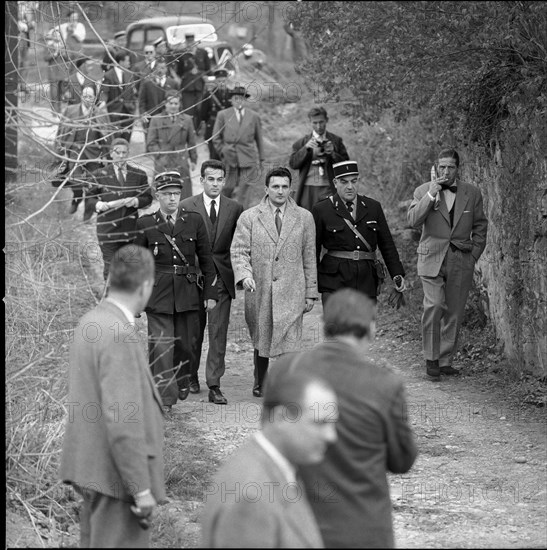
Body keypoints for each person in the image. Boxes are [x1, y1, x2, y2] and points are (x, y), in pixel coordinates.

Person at [274, 288, 418, 548]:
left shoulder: (285, 371)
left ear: (325, 326)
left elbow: (271, 446)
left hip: (298, 527)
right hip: (364, 531)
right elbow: (402, 461)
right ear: (371, 329)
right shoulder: (386, 384)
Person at [59, 244, 166, 548]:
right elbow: (123, 422)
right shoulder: (118, 334)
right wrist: (140, 488)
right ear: (145, 285)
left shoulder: (91, 321)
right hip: (115, 479)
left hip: (91, 469)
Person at [201, 368, 337, 548]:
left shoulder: (278, 468)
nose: (331, 436)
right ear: (281, 418)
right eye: (320, 423)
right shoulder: (251, 498)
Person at [230, 166, 318, 397]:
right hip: (260, 288)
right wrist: (245, 275)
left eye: (285, 187)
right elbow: (239, 251)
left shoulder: (304, 217)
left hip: (292, 288)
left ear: (291, 189)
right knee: (262, 335)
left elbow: (309, 256)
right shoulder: (249, 217)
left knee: (290, 340)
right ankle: (261, 381)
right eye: (275, 186)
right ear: (266, 188)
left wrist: (310, 292)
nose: (280, 191)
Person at [134, 171, 218, 412]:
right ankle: (164, 399)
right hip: (157, 293)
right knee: (160, 347)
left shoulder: (194, 220)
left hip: (187, 291)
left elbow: (206, 259)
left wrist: (210, 294)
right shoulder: (145, 223)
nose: (172, 199)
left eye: (176, 194)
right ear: (157, 195)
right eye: (167, 194)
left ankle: (182, 379)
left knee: (186, 345)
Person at [407, 148, 488, 378]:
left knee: (454, 311)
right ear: (436, 168)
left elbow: (481, 226)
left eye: (450, 167)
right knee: (434, 306)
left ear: (457, 168)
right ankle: (431, 359)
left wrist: (473, 256)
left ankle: (444, 360)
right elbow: (412, 220)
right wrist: (431, 195)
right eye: (442, 166)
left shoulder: (472, 193)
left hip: (461, 258)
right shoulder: (423, 190)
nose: (446, 171)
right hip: (431, 257)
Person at [179, 160, 244, 404]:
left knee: (218, 332)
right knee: (193, 332)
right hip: (194, 279)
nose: (215, 184)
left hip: (222, 279)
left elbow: (240, 245)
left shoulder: (236, 208)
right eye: (211, 179)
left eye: (219, 179)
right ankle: (190, 375)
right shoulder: (186, 206)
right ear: (202, 180)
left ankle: (214, 384)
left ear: (224, 181)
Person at [312, 160, 406, 307]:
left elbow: (386, 244)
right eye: (344, 182)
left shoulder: (373, 207)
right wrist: (311, 286)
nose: (350, 187)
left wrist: (397, 274)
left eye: (354, 181)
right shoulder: (322, 209)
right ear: (335, 183)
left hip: (366, 280)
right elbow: (313, 250)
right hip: (334, 281)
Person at [87, 138, 153, 280]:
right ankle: (108, 298)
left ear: (128, 154)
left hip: (130, 231)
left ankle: (125, 300)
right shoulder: (100, 174)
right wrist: (98, 205)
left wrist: (136, 201)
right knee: (111, 268)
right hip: (107, 230)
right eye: (118, 152)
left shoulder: (139, 174)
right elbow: (89, 199)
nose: (121, 156)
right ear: (111, 153)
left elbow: (148, 198)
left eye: (124, 152)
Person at [55, 83, 111, 217]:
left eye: (90, 96)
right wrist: (59, 152)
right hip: (75, 153)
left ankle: (88, 210)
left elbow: (108, 136)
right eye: (84, 96)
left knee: (92, 184)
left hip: (93, 154)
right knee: (76, 181)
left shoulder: (100, 114)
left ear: (95, 98)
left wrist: (107, 156)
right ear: (80, 96)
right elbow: (60, 132)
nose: (87, 99)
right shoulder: (70, 111)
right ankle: (77, 198)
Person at [213, 86, 265, 209]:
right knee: (227, 187)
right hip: (229, 156)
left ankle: (242, 214)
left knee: (245, 188)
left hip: (248, 156)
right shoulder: (223, 115)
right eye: (236, 98)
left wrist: (262, 159)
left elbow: (259, 139)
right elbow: (215, 137)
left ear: (245, 100)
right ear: (231, 100)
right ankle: (223, 211)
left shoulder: (254, 116)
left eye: (241, 98)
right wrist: (223, 151)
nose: (239, 101)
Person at [289, 106, 350, 211]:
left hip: (329, 187)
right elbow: (293, 164)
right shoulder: (301, 143)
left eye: (321, 122)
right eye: (315, 123)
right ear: (310, 122)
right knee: (309, 221)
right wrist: (306, 149)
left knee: (329, 220)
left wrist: (333, 154)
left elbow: (346, 167)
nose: (318, 126)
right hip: (307, 189)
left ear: (327, 120)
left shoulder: (336, 141)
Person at [146, 89, 197, 201]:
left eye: (176, 103)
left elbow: (192, 142)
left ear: (180, 104)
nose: (173, 106)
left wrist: (193, 160)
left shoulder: (187, 120)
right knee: (164, 194)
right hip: (164, 159)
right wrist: (160, 155)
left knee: (184, 195)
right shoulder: (156, 119)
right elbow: (150, 143)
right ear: (165, 104)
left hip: (181, 159)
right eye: (171, 103)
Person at [177, 32, 211, 131]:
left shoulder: (203, 53)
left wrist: (200, 74)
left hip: (200, 86)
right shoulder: (182, 54)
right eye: (188, 42)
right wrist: (188, 74)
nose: (190, 43)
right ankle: (189, 130)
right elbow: (179, 72)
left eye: (192, 41)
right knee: (188, 110)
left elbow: (208, 69)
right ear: (186, 42)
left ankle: (197, 129)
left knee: (200, 109)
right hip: (187, 87)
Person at [101, 51, 138, 141]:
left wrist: (133, 107)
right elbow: (105, 92)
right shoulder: (108, 75)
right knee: (115, 137)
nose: (129, 63)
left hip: (128, 111)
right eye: (127, 61)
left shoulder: (129, 74)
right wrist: (104, 106)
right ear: (121, 62)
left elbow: (133, 94)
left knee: (126, 137)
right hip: (114, 111)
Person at [138, 57, 178, 132]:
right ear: (154, 69)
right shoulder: (147, 83)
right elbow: (142, 102)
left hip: (168, 119)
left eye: (163, 68)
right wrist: (143, 115)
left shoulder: (173, 83)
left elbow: (178, 101)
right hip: (151, 119)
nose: (160, 70)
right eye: (158, 68)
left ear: (166, 69)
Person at [200, 68, 231, 160]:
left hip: (228, 128)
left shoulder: (232, 94)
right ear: (216, 81)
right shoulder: (209, 95)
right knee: (214, 156)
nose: (222, 83)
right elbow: (203, 114)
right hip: (213, 128)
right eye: (219, 81)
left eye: (224, 81)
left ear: (227, 80)